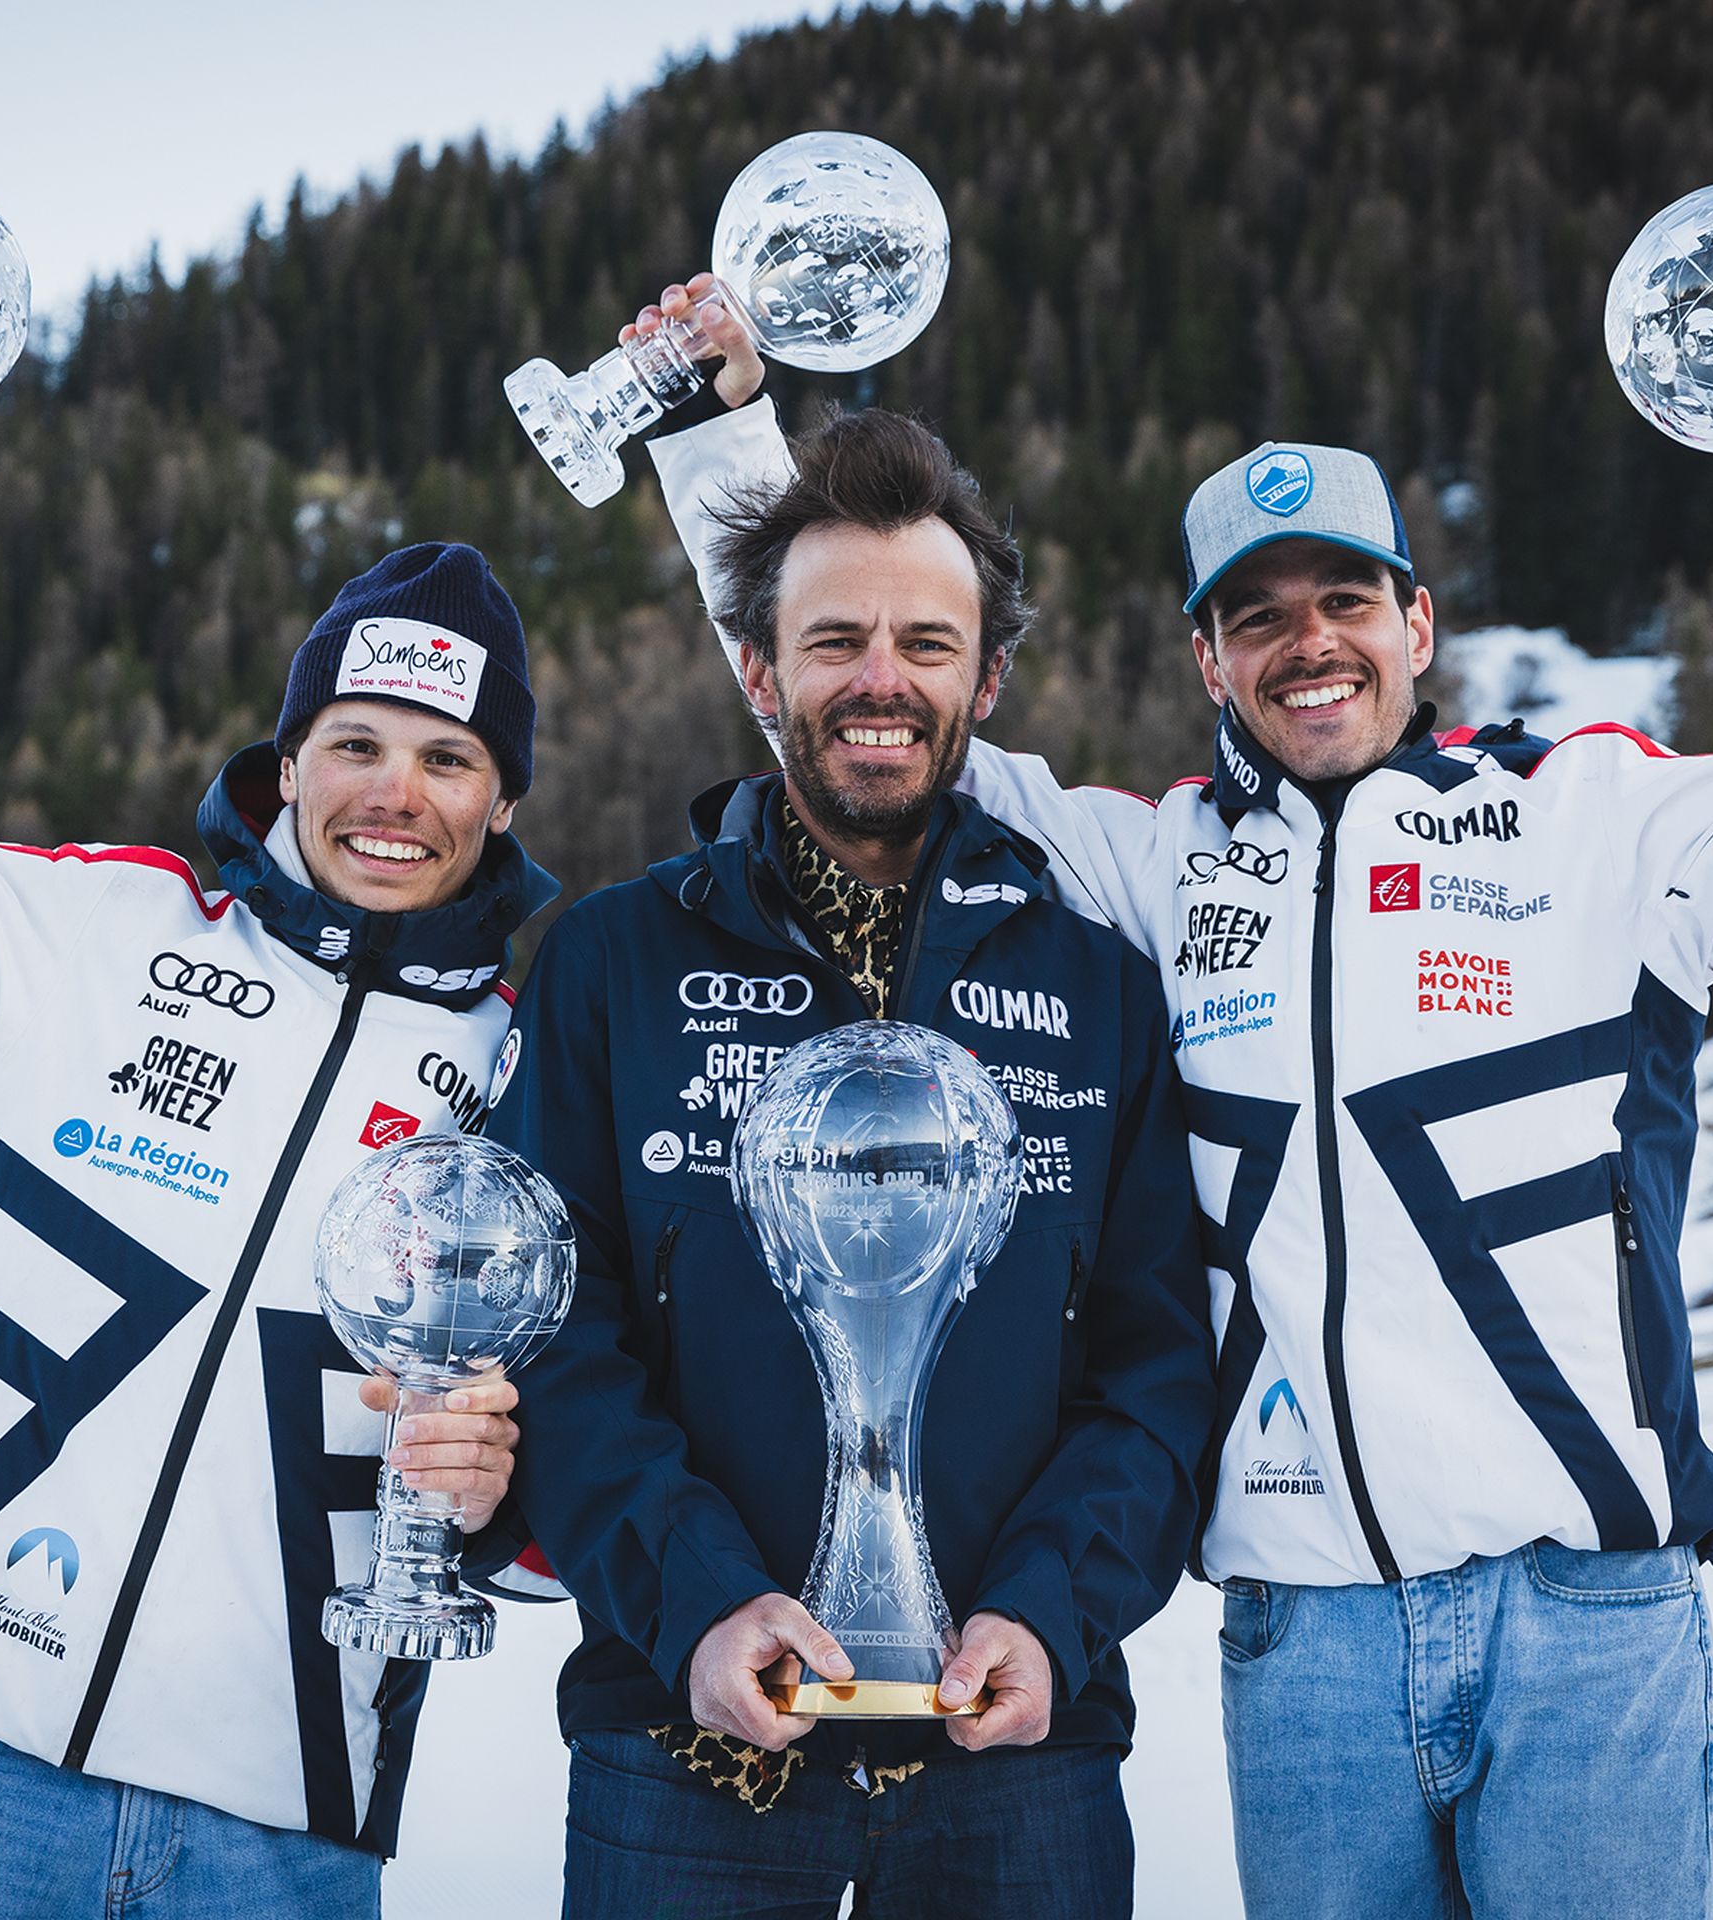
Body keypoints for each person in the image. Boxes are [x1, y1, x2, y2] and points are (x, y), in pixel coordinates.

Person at [640, 278, 1713, 1917]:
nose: (1310, 641)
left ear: (1417, 624)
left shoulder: (1598, 821)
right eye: (1259, 614)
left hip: (1589, 1619)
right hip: (1305, 1642)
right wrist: (720, 431)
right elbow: (859, 694)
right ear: (1208, 658)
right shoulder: (1153, 870)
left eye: (1347, 599)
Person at [0, 326, 561, 1916]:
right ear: (288, 766)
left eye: (446, 759)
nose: (391, 795)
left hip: (282, 1829)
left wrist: (506, 1484)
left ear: (502, 802)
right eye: (353, 745)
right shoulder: (81, 934)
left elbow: (567, 1416)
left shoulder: (526, 1071)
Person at [492, 400, 1212, 1917]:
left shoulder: (1099, 990)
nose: (879, 680)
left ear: (986, 679)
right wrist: (693, 1604)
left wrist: (1047, 1610)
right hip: (686, 1748)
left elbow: (1154, 1368)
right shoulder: (614, 965)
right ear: (762, 670)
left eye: (926, 645)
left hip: (1018, 1752)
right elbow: (556, 1332)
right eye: (834, 642)